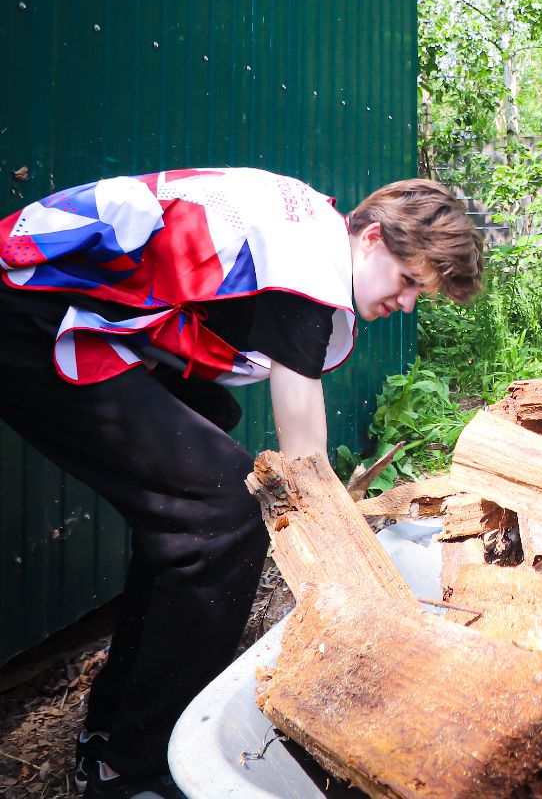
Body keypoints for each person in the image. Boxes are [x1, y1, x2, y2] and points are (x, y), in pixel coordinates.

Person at [0, 168, 483, 798]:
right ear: (369, 239)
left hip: (67, 309)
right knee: (225, 512)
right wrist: (346, 581)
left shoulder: (303, 229)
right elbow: (302, 459)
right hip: (28, 310)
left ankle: (111, 735)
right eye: (410, 281)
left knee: (207, 439)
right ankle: (136, 769)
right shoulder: (310, 258)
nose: (409, 304)